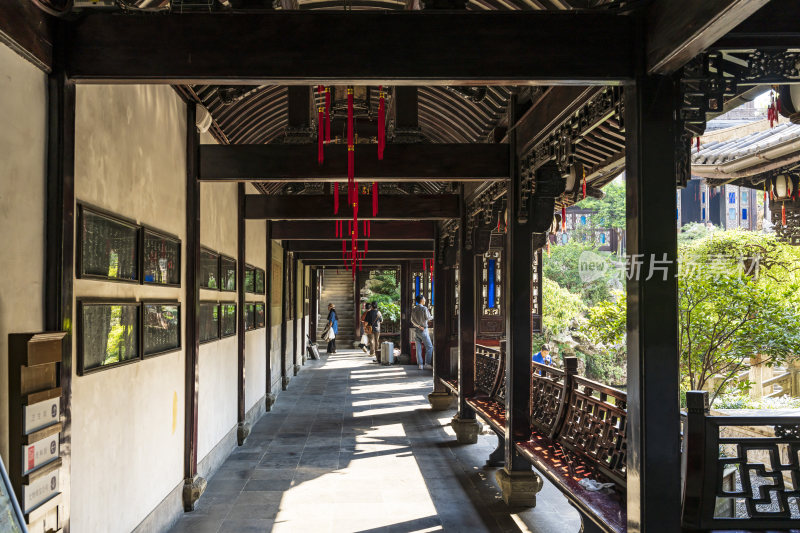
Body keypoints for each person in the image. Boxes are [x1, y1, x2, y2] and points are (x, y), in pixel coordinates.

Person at [410, 295, 434, 370]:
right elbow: (428, 318)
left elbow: (412, 320)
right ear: (421, 300)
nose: (425, 299)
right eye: (424, 298)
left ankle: (420, 364)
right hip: (424, 330)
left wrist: (418, 326)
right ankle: (427, 363)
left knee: (418, 348)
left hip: (417, 330)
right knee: (429, 347)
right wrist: (434, 315)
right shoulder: (424, 308)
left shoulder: (414, 309)